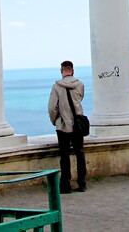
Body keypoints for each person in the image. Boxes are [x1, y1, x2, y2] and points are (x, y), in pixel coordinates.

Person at [48, 60, 88, 194]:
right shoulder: (80, 85)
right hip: (77, 125)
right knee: (80, 153)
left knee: (64, 155)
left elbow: (52, 107)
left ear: (61, 71)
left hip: (63, 126)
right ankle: (82, 183)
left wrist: (56, 121)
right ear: (73, 70)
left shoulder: (56, 87)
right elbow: (80, 99)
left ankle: (65, 185)